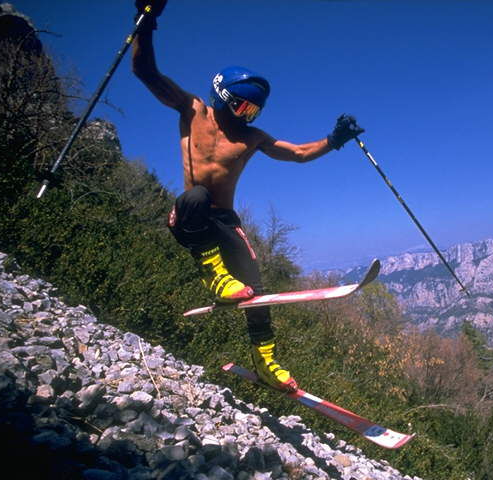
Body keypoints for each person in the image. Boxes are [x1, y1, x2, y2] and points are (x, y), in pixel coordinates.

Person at [131, 0, 364, 392]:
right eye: (241, 105)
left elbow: (299, 154)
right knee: (196, 197)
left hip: (225, 222)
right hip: (190, 217)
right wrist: (146, 20)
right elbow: (145, 71)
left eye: (253, 111)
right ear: (222, 95)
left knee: (258, 292)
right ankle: (214, 276)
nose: (246, 115)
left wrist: (334, 139)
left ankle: (266, 362)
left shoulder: (251, 138)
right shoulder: (192, 110)